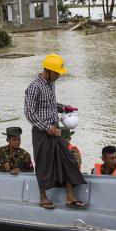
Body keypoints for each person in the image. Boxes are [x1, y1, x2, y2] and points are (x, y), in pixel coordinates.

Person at [23, 53, 86, 209]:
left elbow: (50, 104)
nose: (58, 76)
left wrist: (64, 107)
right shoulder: (34, 87)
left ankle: (70, 196)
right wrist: (47, 128)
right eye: (57, 73)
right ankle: (43, 197)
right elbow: (29, 113)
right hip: (41, 131)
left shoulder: (51, 84)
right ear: (48, 70)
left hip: (55, 129)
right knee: (43, 163)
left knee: (68, 159)